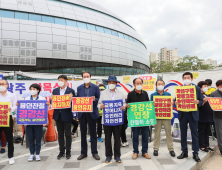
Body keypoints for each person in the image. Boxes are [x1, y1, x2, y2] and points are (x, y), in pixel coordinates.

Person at [175, 72, 203, 162]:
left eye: (188, 77)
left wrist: (198, 102)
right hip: (183, 114)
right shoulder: (179, 89)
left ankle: (195, 153)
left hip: (192, 114)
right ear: (183, 79)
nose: (186, 79)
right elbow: (176, 99)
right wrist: (176, 102)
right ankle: (184, 152)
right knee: (183, 134)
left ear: (191, 79)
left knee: (194, 134)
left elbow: (201, 100)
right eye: (185, 78)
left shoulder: (197, 88)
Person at [98, 75, 126, 163]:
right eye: (110, 82)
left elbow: (124, 103)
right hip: (107, 120)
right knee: (107, 138)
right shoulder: (103, 93)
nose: (111, 84)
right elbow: (98, 104)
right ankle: (108, 156)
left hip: (117, 120)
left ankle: (117, 156)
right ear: (107, 83)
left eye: (113, 82)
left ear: (116, 84)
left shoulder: (121, 93)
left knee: (117, 138)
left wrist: (124, 106)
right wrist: (100, 106)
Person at [18, 84, 49, 161]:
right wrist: (18, 105)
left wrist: (47, 105)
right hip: (29, 122)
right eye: (31, 89)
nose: (32, 90)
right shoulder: (26, 98)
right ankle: (32, 153)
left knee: (38, 138)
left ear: (38, 90)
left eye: (34, 89)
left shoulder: (42, 99)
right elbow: (22, 108)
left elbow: (45, 111)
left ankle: (37, 154)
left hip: (38, 122)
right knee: (30, 138)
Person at [77, 72, 100, 161]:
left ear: (90, 77)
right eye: (84, 76)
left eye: (87, 76)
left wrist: (95, 99)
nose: (86, 77)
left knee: (93, 134)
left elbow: (99, 99)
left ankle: (94, 152)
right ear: (82, 78)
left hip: (92, 113)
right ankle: (83, 153)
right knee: (83, 134)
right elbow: (77, 99)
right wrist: (73, 98)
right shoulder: (79, 88)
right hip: (82, 113)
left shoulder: (95, 87)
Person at [126, 78, 151, 160]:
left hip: (144, 119)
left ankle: (144, 151)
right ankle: (135, 152)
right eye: (137, 83)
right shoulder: (130, 94)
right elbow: (127, 105)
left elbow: (148, 105)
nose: (139, 84)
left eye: (140, 83)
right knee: (135, 136)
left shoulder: (145, 93)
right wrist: (127, 106)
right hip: (135, 119)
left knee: (145, 136)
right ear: (134, 84)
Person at [52, 75, 75, 160]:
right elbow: (53, 102)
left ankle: (68, 152)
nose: (60, 81)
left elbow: (74, 104)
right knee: (60, 135)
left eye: (61, 80)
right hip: (58, 116)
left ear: (66, 81)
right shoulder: (55, 90)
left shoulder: (71, 91)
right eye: (59, 80)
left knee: (68, 135)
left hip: (67, 115)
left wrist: (72, 99)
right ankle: (61, 152)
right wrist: (51, 99)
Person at [150, 80, 175, 157]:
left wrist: (172, 103)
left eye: (162, 84)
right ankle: (155, 149)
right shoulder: (153, 95)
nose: (160, 85)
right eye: (159, 84)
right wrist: (152, 104)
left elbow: (171, 104)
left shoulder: (168, 94)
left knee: (168, 132)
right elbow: (151, 105)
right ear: (156, 85)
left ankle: (171, 149)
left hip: (166, 116)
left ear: (164, 85)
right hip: (157, 116)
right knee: (157, 133)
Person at [0, 79, 17, 165]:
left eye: (3, 84)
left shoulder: (12, 95)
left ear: (7, 85)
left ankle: (11, 156)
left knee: (9, 138)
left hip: (7, 117)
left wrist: (12, 109)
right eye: (0, 84)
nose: (1, 85)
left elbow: (15, 106)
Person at [197, 81, 214, 152]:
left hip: (208, 116)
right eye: (204, 86)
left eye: (206, 86)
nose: (206, 88)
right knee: (201, 131)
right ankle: (202, 146)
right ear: (200, 88)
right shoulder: (198, 96)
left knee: (207, 131)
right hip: (201, 116)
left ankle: (207, 145)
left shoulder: (207, 95)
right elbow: (198, 105)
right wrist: (203, 102)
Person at [210, 80, 222, 156]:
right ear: (217, 86)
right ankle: (221, 149)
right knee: (219, 133)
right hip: (218, 116)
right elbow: (211, 106)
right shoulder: (213, 94)